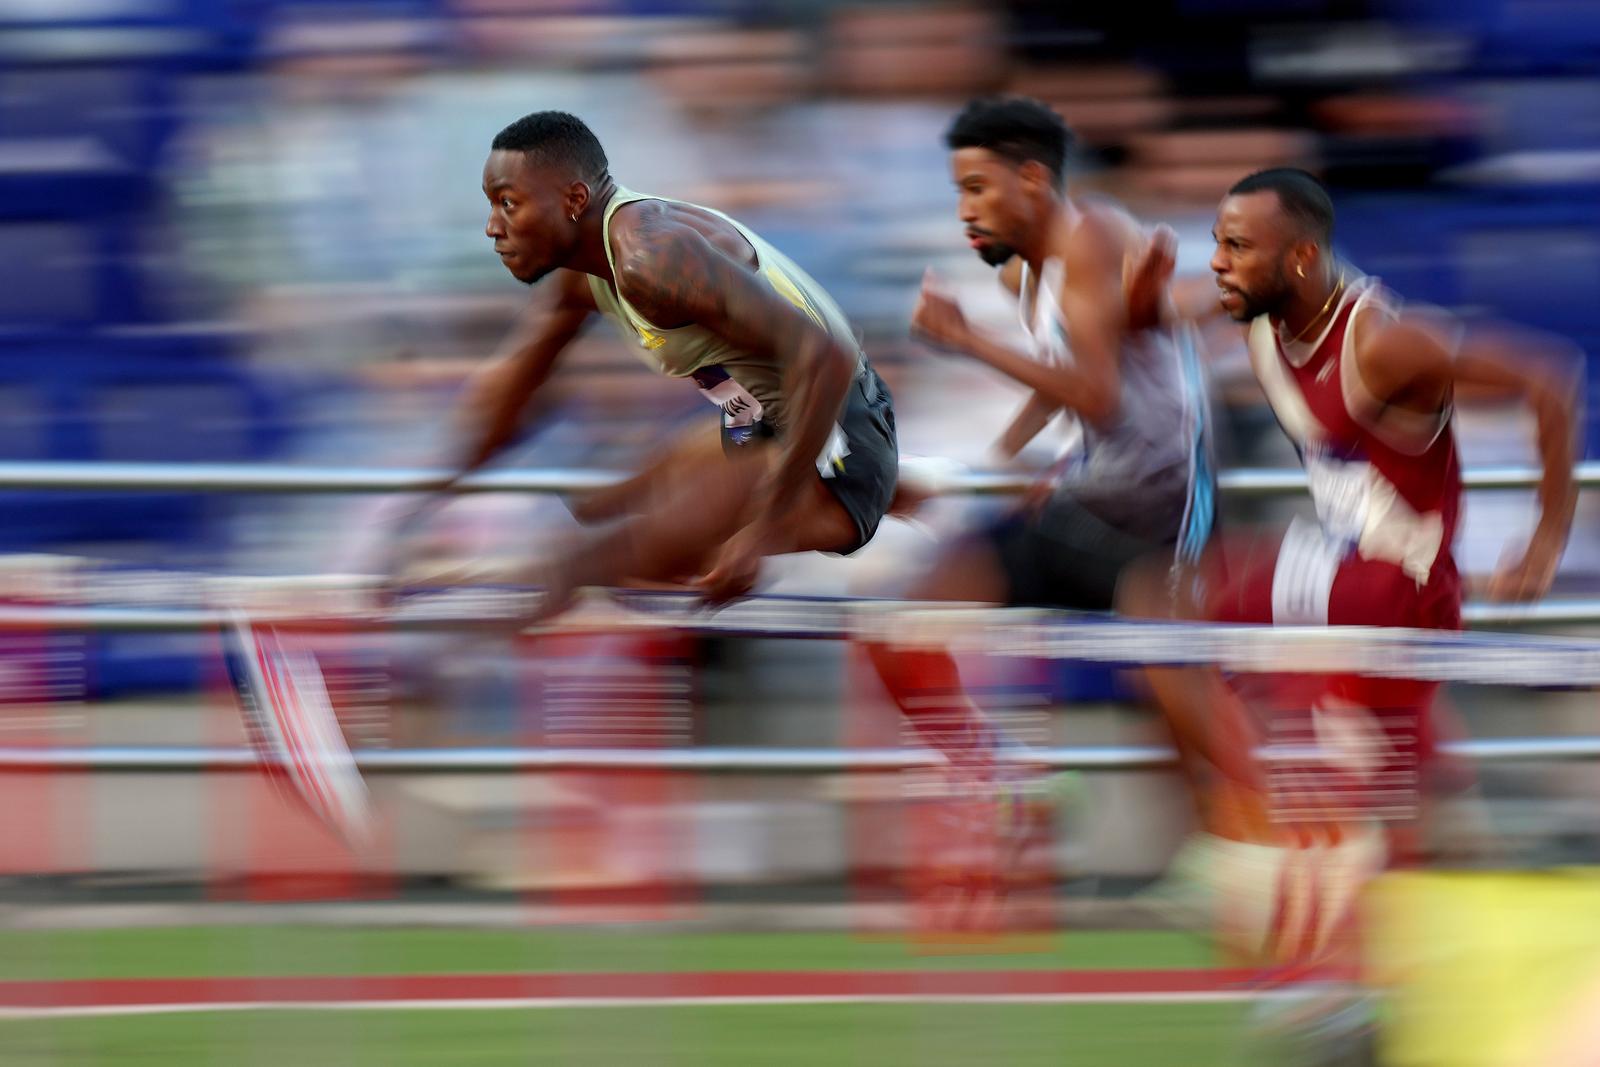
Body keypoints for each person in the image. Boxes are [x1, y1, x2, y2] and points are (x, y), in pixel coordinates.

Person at [1122, 167, 1581, 968]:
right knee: (1153, 613)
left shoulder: (1384, 341)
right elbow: (1160, 319)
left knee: (1359, 832)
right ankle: (1250, 834)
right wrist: (1139, 304)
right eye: (1215, 244)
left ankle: (1274, 856)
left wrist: (1543, 543)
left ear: (1299, 258)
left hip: (1397, 584)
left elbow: (1548, 380)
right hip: (1339, 568)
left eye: (1237, 246)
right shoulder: (1256, 306)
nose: (1219, 263)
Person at [410, 110, 898, 613]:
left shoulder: (653, 261)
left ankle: (440, 634)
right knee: (599, 513)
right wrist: (431, 495)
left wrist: (763, 528)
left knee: (587, 566)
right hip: (755, 428)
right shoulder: (583, 273)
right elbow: (512, 391)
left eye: (508, 204)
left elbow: (827, 357)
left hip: (838, 449)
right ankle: (449, 600)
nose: (493, 228)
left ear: (574, 200)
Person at [863, 95, 1213, 779]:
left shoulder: (1092, 238)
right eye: (958, 192)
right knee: (903, 627)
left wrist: (968, 340)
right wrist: (1001, 462)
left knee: (1181, 710)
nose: (965, 210)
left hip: (1156, 512)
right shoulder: (1027, 268)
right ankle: (1006, 779)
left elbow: (1097, 392)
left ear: (1030, 182)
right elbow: (1069, 380)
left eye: (976, 189)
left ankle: (1267, 834)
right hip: (1099, 498)